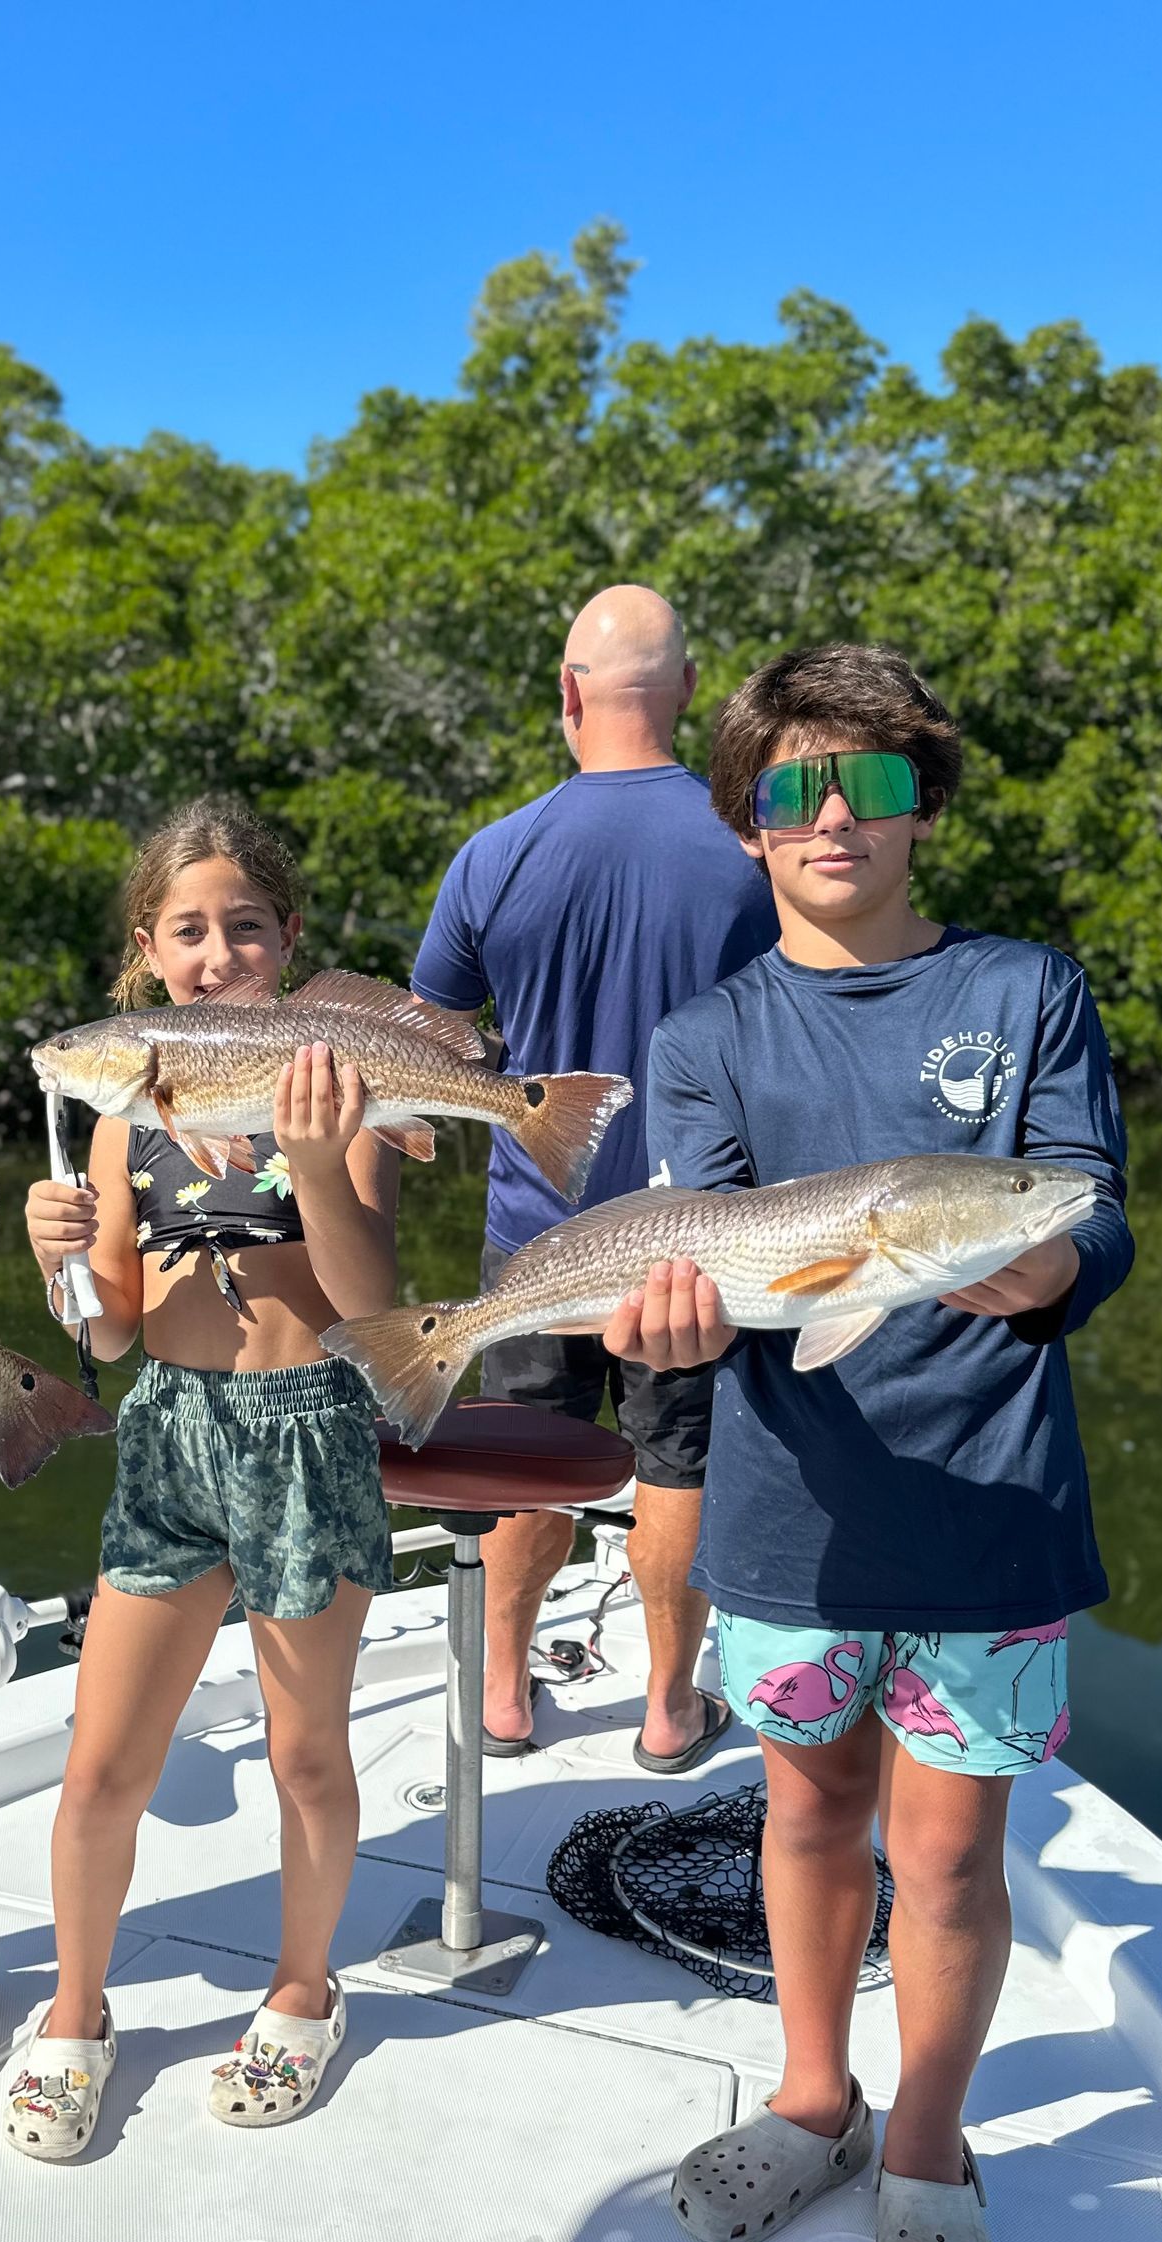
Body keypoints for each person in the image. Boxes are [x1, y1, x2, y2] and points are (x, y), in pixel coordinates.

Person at [604, 644, 1133, 2242]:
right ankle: (815, 2096)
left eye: (876, 783)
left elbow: (1090, 1206)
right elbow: (704, 1262)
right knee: (809, 1817)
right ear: (746, 823)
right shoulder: (704, 1037)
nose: (835, 818)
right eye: (795, 788)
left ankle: (926, 2149)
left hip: (993, 1509)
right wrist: (669, 1330)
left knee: (954, 1859)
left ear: (925, 806)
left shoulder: (1026, 992)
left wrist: (1048, 1264)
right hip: (790, 1519)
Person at [9, 795, 398, 2159]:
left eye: (244, 927)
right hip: (170, 1430)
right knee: (101, 1763)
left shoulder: (338, 1089)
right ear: (148, 952)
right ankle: (74, 2011)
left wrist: (314, 1160)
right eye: (188, 931)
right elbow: (110, 1332)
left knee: (306, 1752)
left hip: (311, 1427)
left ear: (287, 939)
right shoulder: (123, 1120)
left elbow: (371, 1306)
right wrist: (61, 1257)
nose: (217, 953)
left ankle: (304, 1989)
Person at [410, 584, 777, 1768]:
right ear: (689, 691)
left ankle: (502, 1696)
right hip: (700, 1237)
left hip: (538, 1229)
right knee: (680, 1460)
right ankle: (669, 1709)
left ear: (567, 694)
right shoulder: (753, 851)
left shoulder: (495, 853)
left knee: (526, 1452)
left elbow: (432, 1042)